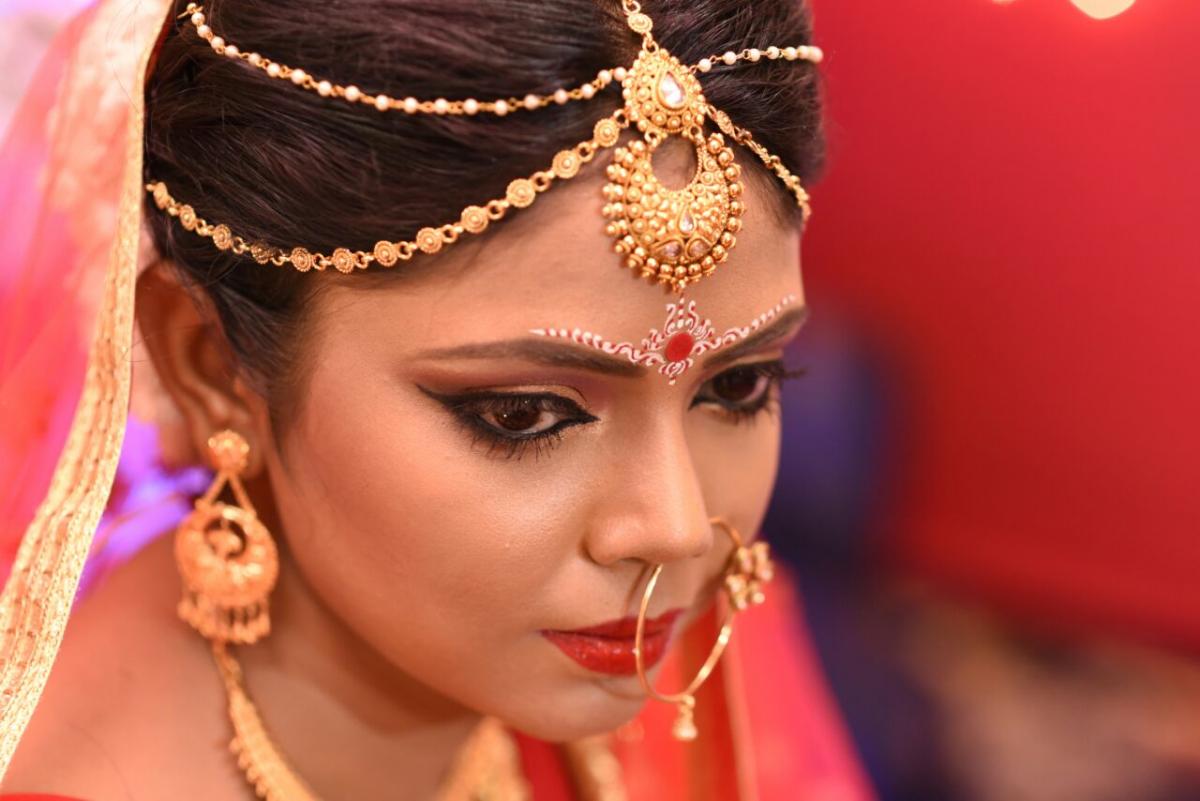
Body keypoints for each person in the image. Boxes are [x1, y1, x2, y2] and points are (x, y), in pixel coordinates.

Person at [0, 0, 872, 798]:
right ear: (214, 369)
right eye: (524, 414)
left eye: (738, 384)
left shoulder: (668, 638)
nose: (676, 528)